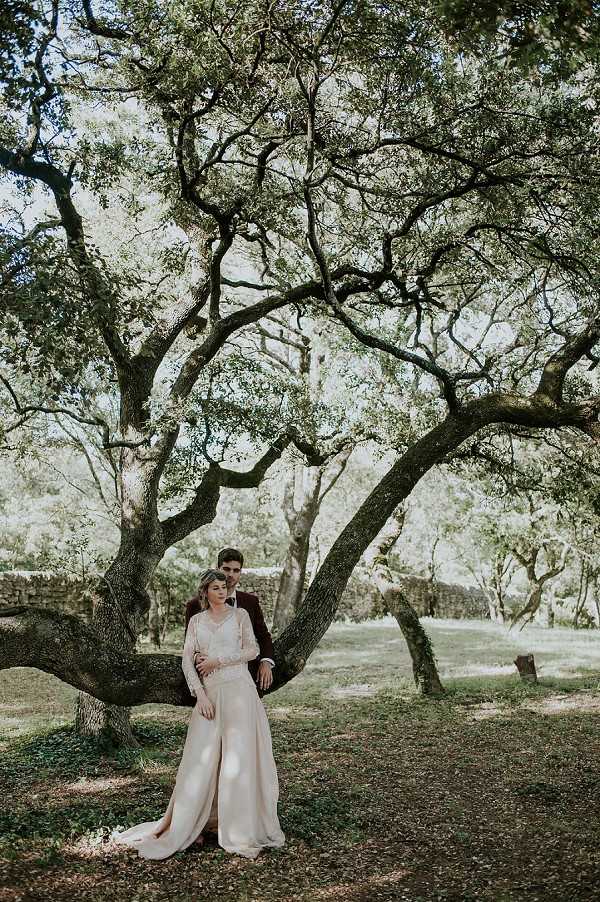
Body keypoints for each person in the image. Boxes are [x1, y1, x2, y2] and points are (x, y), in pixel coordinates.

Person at [113, 568, 285, 860]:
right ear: (204, 592)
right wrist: (200, 695)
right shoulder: (196, 621)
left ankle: (239, 825)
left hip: (240, 691)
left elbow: (252, 650)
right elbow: (186, 661)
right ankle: (198, 820)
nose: (222, 591)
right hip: (211, 695)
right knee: (200, 760)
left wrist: (218, 660)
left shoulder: (240, 616)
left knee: (239, 757)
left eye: (224, 587)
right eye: (215, 588)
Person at [185, 547, 275, 695]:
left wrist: (266, 661)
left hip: (244, 677)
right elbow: (189, 643)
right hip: (209, 678)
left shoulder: (250, 602)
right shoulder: (194, 605)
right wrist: (195, 656)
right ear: (217, 568)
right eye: (226, 569)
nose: (231, 575)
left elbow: (263, 636)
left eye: (236, 570)